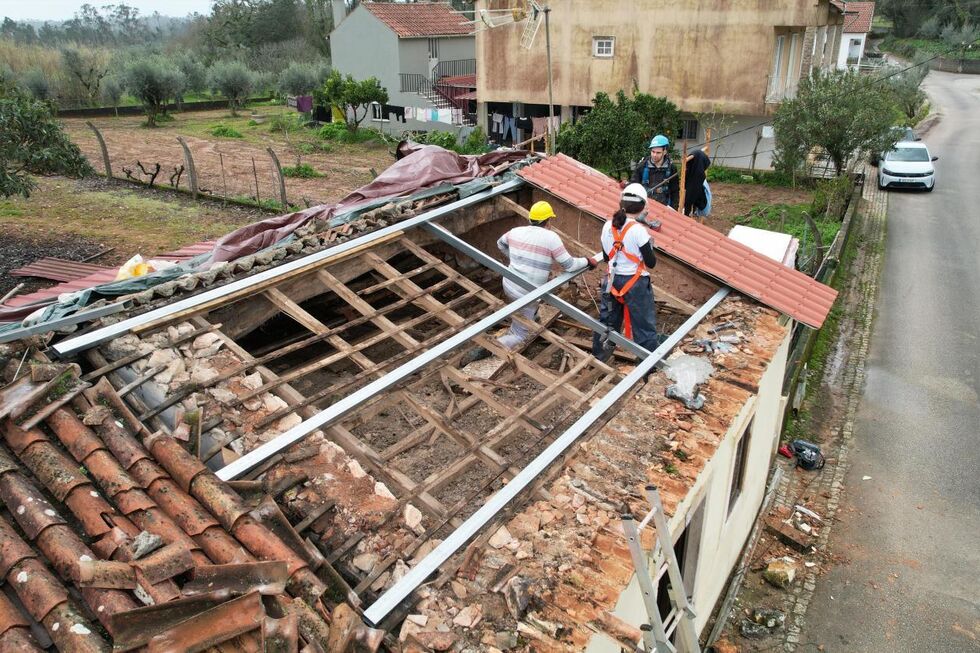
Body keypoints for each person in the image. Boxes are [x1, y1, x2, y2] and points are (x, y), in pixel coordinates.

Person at [460, 200, 597, 365]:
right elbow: (569, 265)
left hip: (509, 284)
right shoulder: (551, 237)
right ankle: (490, 347)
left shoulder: (515, 231)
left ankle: (532, 316)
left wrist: (516, 259)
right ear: (548, 220)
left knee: (523, 310)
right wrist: (587, 261)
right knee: (520, 334)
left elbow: (500, 244)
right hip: (527, 294)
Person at [592, 185, 660, 362]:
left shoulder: (608, 226)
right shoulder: (638, 230)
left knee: (607, 323)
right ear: (643, 207)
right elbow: (651, 263)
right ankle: (647, 366)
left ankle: (600, 358)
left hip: (611, 281)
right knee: (643, 326)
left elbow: (607, 257)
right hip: (635, 284)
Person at [631, 134, 679, 210]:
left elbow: (675, 191)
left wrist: (674, 209)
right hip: (644, 207)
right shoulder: (642, 166)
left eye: (658, 152)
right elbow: (633, 186)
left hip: (663, 208)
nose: (654, 155)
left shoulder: (671, 168)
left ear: (665, 151)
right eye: (653, 151)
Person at [683, 148, 712, 217]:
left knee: (690, 197)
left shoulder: (695, 176)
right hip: (694, 188)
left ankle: (690, 213)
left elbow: (689, 199)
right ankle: (692, 212)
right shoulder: (700, 174)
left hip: (692, 192)